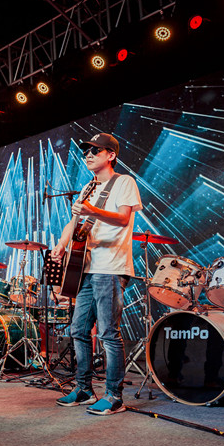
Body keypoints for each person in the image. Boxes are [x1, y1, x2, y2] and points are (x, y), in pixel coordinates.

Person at [50, 133, 142, 415]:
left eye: (95, 151)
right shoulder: (88, 187)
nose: (88, 155)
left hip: (110, 267)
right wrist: (62, 244)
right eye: (86, 151)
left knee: (108, 332)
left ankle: (114, 396)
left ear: (111, 155)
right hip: (86, 269)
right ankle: (84, 389)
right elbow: (74, 222)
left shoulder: (124, 182)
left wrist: (93, 210)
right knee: (78, 329)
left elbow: (123, 218)